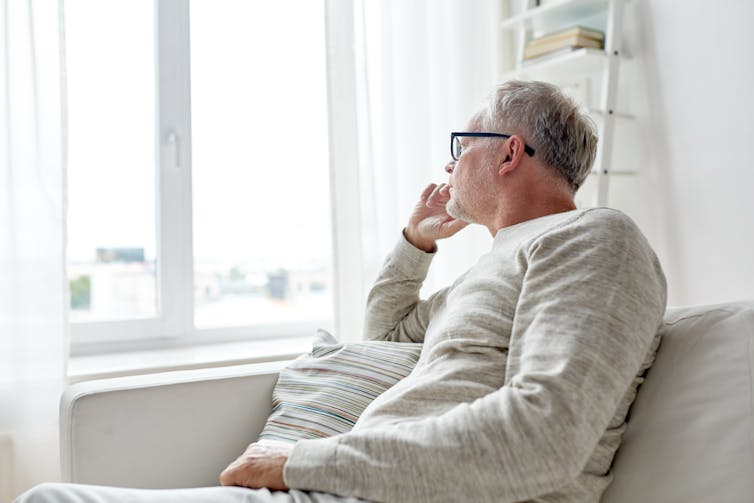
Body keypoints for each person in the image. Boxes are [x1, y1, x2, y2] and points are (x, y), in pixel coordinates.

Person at [16, 80, 666, 503]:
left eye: (460, 145)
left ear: (507, 154)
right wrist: (416, 241)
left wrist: (305, 459)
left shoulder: (594, 239)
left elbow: (543, 438)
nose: (448, 164)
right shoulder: (485, 275)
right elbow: (384, 334)